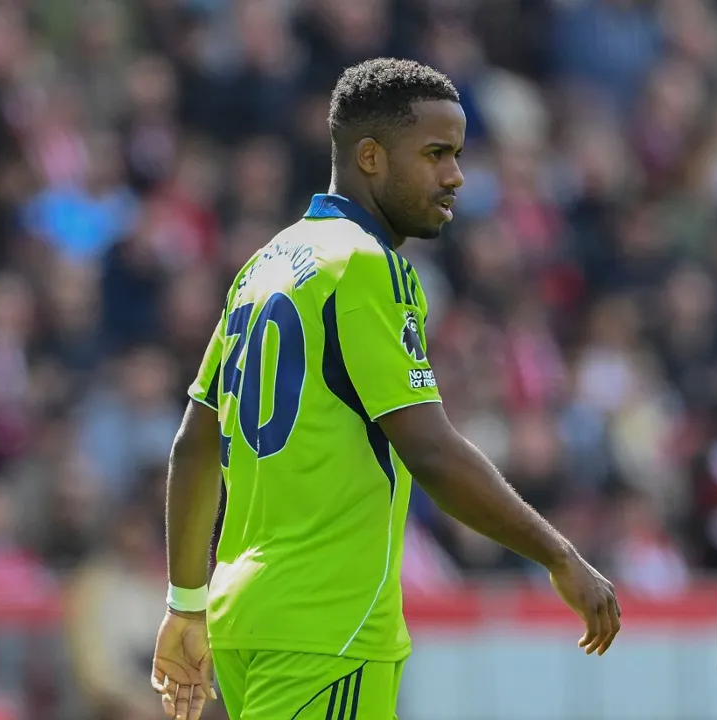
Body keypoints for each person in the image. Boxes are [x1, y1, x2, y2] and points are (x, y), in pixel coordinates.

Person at [148, 58, 621, 720]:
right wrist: (559, 553)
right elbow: (429, 449)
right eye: (435, 154)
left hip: (244, 618)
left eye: (457, 155)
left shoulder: (265, 265)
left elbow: (195, 444)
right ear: (370, 156)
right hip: (329, 629)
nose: (455, 175)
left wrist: (186, 604)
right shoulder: (369, 267)